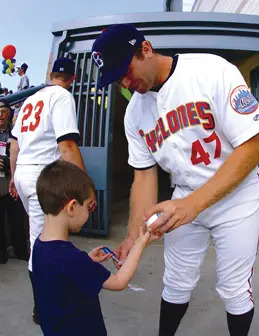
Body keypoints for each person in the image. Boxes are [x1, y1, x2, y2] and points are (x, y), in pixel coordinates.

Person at [91, 24, 259, 336]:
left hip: (236, 196)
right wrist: (134, 235)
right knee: (175, 282)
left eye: (125, 69)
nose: (125, 81)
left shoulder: (211, 70)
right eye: (116, 78)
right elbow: (144, 175)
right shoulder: (134, 113)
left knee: (233, 288)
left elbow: (251, 149)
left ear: (146, 49)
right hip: (184, 196)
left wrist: (193, 204)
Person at [9, 57, 95, 324]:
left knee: (40, 237)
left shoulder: (30, 99)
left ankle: (46, 300)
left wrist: (14, 178)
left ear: (50, 73)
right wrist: (86, 188)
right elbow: (67, 145)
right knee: (43, 241)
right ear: (72, 78)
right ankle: (43, 306)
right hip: (41, 177)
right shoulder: (61, 96)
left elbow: (14, 144)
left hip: (23, 171)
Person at [33, 159, 157, 336]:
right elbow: (119, 282)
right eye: (88, 207)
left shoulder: (40, 245)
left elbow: (58, 277)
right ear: (73, 207)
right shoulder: (73, 259)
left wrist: (87, 260)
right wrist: (139, 244)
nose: (89, 214)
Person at [0, 99, 29, 263]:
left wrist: (10, 163)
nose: (0, 115)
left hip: (13, 180)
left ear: (9, 113)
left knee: (17, 218)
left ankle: (21, 251)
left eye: (3, 111)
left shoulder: (16, 132)